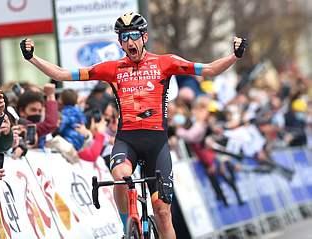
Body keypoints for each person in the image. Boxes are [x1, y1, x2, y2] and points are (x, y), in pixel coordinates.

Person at [20, 11, 247, 238]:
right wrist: (32, 58)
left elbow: (208, 70)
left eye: (133, 36)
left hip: (156, 143)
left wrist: (234, 56)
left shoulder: (165, 62)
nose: (129, 42)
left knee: (163, 212)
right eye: (124, 37)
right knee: (120, 175)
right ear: (119, 42)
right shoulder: (112, 68)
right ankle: (127, 225)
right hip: (127, 139)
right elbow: (61, 74)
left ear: (144, 37)